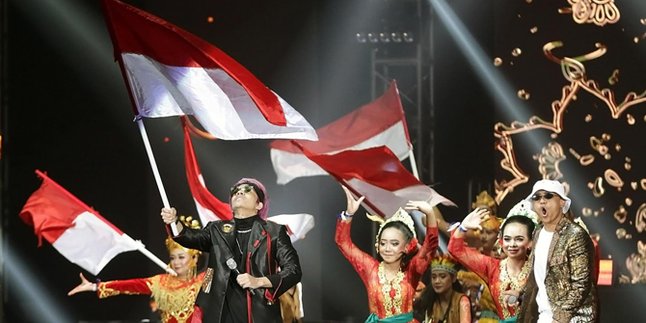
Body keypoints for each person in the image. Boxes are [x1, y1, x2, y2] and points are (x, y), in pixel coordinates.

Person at [161, 178, 302, 323]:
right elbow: (188, 237)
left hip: (259, 312)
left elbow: (293, 270)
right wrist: (173, 221)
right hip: (218, 311)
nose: (239, 191)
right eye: (235, 191)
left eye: (248, 189)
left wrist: (259, 281)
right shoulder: (216, 229)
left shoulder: (274, 231)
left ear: (259, 204)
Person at [335, 186, 440, 322]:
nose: (387, 248)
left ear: (406, 247)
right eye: (383, 243)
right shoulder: (370, 269)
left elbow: (430, 248)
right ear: (378, 246)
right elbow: (343, 243)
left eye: (394, 244)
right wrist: (348, 215)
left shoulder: (411, 271)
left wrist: (430, 214)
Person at [68, 225, 205, 323]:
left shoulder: (203, 280)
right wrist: (94, 286)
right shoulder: (160, 282)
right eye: (173, 258)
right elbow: (129, 286)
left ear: (195, 258)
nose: (176, 262)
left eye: (181, 257)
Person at [517, 180, 598, 323]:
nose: (542, 201)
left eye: (548, 196)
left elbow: (581, 284)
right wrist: (519, 291)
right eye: (537, 197)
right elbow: (538, 274)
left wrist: (561, 318)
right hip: (545, 315)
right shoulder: (538, 232)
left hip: (575, 318)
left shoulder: (575, 234)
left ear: (561, 202)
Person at [448, 200, 538, 323]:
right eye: (507, 239)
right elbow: (455, 249)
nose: (512, 244)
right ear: (501, 241)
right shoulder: (492, 267)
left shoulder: (538, 268)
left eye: (519, 239)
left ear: (530, 242)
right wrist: (463, 227)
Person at [419, 254, 471, 323]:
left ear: (453, 278)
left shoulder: (462, 301)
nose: (437, 281)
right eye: (434, 277)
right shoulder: (430, 301)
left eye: (442, 276)